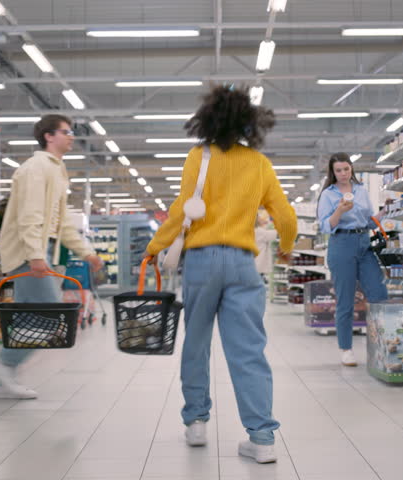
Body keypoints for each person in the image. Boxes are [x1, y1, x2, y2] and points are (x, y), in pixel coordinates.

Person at [145, 85, 297, 464]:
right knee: (248, 350)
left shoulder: (200, 156)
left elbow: (182, 209)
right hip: (244, 264)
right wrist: (289, 244)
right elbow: (287, 217)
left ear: (208, 119)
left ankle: (196, 422)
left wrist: (153, 248)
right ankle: (261, 438)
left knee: (196, 341)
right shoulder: (259, 164)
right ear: (250, 122)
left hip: (201, 260)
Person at [0, 114, 104, 399]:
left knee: (32, 316)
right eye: (66, 132)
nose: (71, 137)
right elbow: (29, 216)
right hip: (26, 254)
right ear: (49, 136)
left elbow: (62, 222)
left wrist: (87, 253)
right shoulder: (36, 168)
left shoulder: (56, 169)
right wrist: (34, 255)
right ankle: (5, 366)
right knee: (51, 315)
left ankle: (4, 379)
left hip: (39, 252)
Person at [316, 153, 389, 367]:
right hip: (341, 245)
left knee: (379, 293)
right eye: (338, 170)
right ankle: (346, 349)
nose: (343, 174)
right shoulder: (328, 195)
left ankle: (381, 344)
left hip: (364, 243)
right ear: (333, 172)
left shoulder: (361, 191)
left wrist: (385, 212)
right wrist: (339, 209)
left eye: (346, 169)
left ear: (351, 169)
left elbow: (369, 222)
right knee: (345, 300)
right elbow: (325, 226)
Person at [254, 210, 278, 283]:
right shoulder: (259, 231)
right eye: (258, 217)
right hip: (257, 267)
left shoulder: (250, 230)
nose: (260, 218)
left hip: (251, 265)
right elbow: (274, 234)